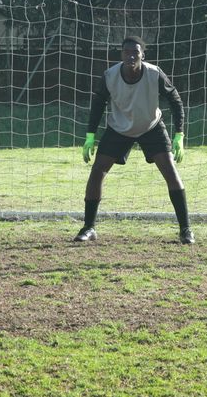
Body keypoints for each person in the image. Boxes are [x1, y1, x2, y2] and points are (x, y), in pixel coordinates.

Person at [74, 36, 193, 244]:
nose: (131, 56)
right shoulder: (110, 75)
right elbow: (98, 104)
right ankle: (89, 227)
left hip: (151, 126)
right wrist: (90, 136)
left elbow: (175, 100)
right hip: (119, 128)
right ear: (121, 54)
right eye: (127, 52)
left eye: (135, 52)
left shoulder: (154, 73)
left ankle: (186, 230)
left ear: (142, 55)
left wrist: (179, 134)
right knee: (97, 170)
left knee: (170, 172)